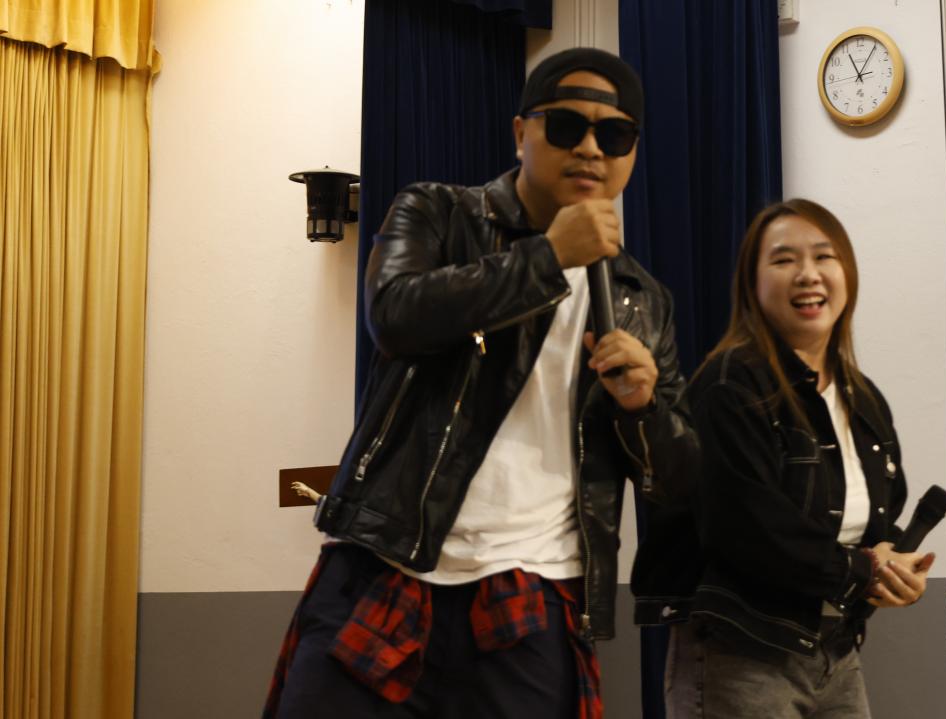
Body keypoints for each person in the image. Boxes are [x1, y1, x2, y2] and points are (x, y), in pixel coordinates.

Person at [264, 48, 697, 719]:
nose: (590, 148)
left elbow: (676, 479)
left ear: (632, 154)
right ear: (521, 132)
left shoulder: (642, 298)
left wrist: (642, 408)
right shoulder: (438, 213)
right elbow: (395, 314)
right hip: (388, 563)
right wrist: (549, 255)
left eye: (614, 136)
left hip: (534, 590)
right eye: (566, 127)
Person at [638, 199, 933, 718]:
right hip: (740, 654)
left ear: (848, 275)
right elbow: (749, 530)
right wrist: (864, 569)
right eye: (783, 260)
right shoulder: (730, 385)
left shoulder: (863, 399)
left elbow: (874, 524)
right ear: (751, 284)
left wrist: (895, 570)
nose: (807, 274)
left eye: (824, 256)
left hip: (835, 651)